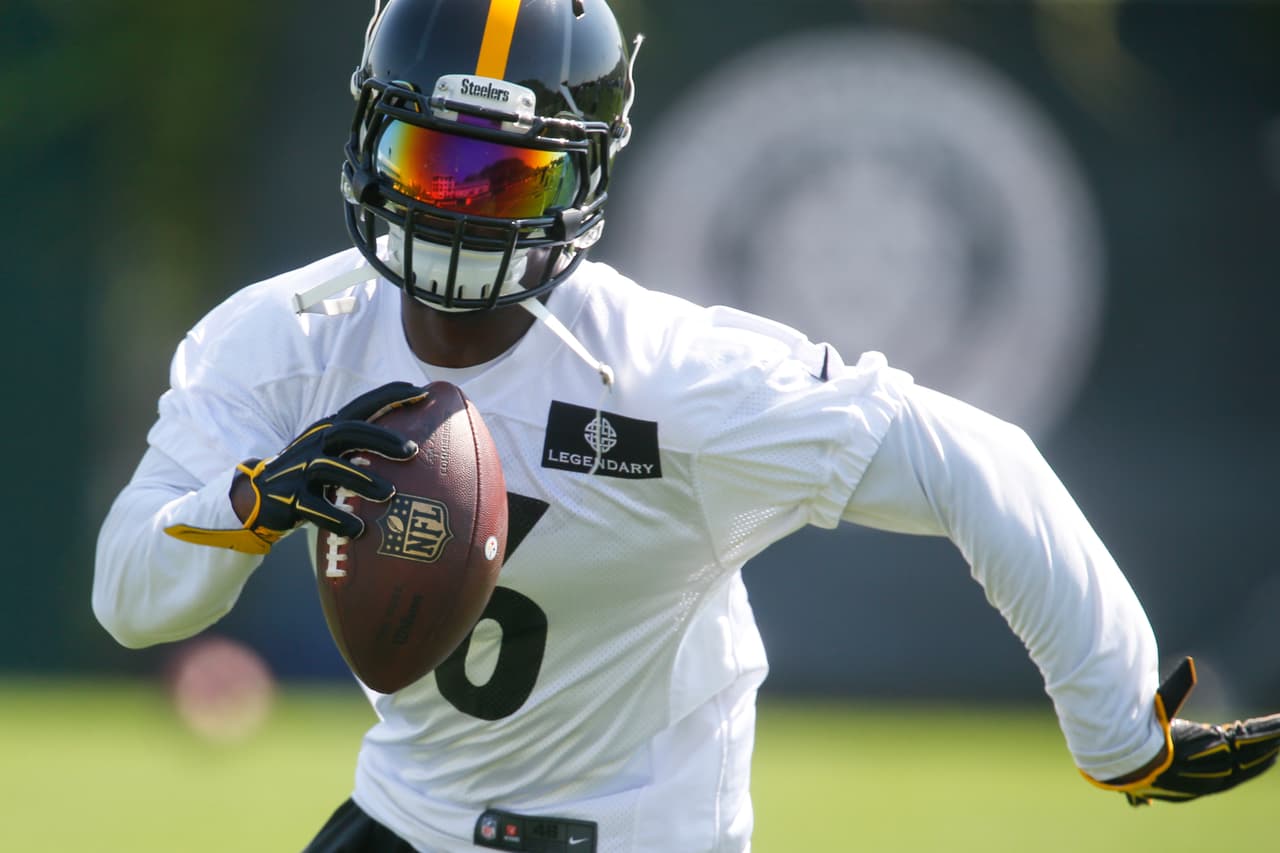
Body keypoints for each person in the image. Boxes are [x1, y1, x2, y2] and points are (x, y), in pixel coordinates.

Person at [92, 1, 1280, 851]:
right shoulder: (284, 338)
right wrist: (244, 510)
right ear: (368, 141)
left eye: (509, 181)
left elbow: (977, 458)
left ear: (583, 183)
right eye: (435, 160)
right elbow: (134, 598)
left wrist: (1116, 724)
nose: (459, 207)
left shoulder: (664, 373)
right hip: (409, 817)